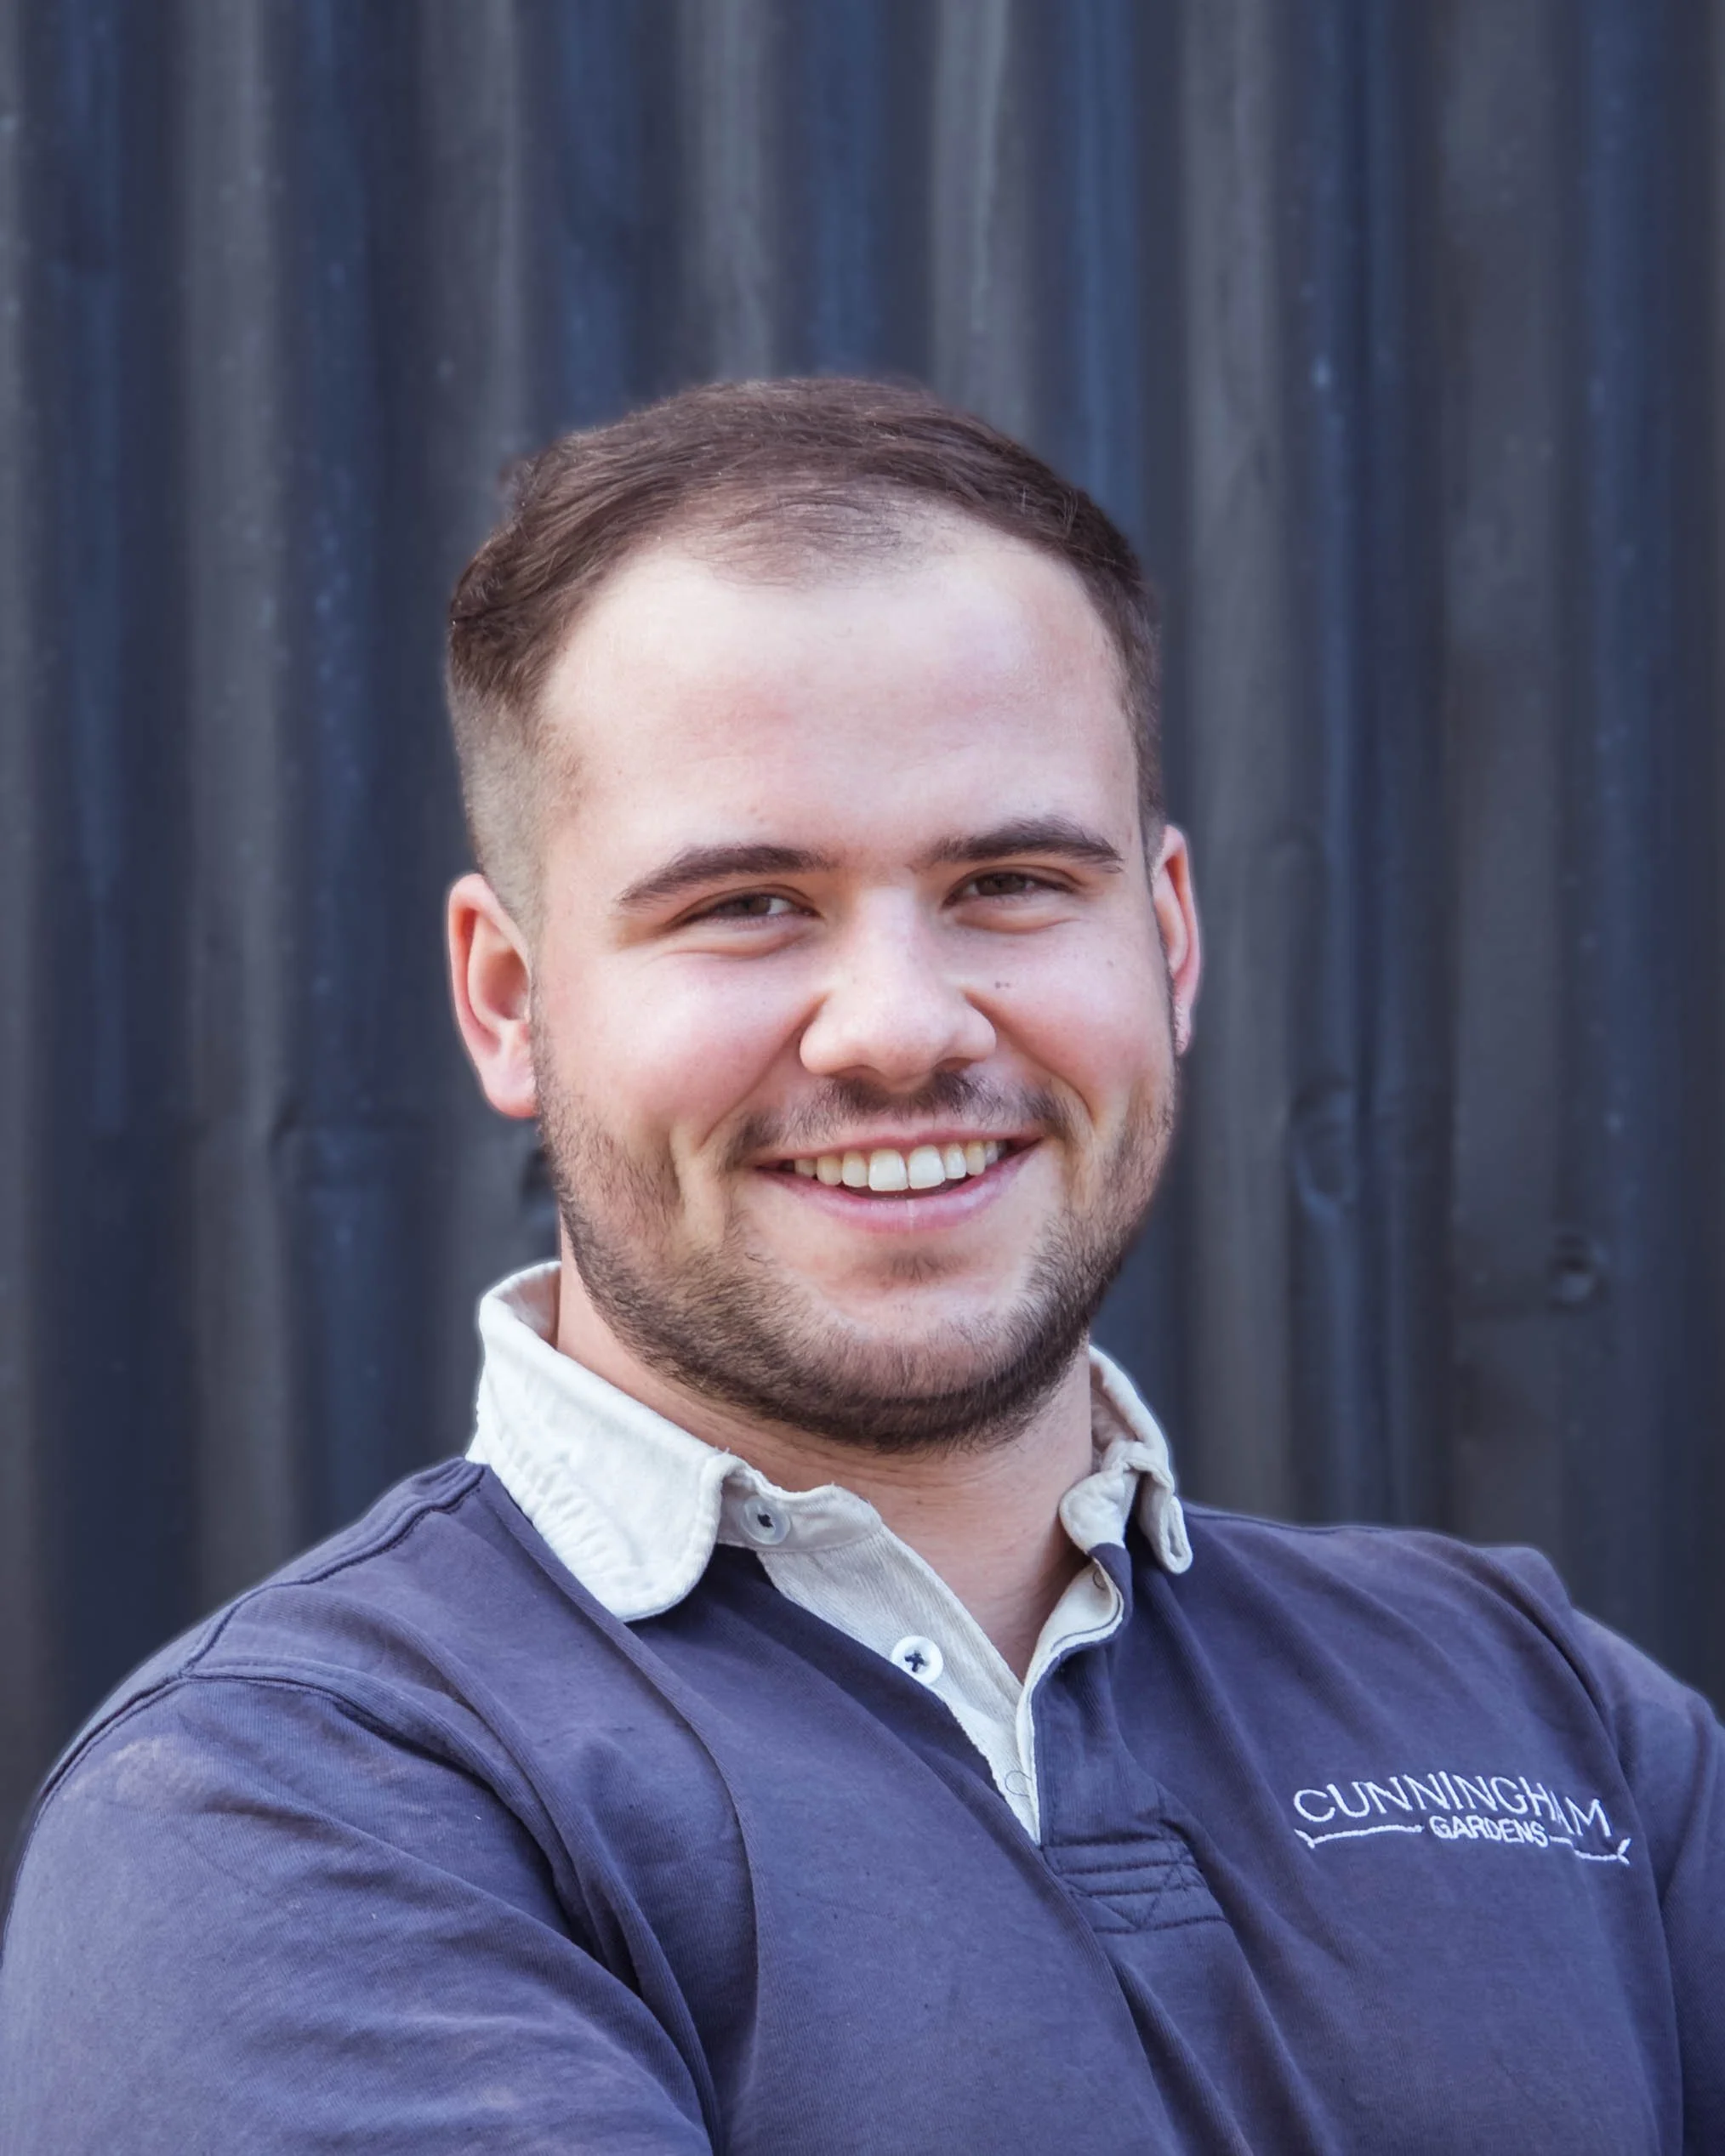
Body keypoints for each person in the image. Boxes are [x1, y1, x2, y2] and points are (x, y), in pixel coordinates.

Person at [2, 379, 1719, 2154]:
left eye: (1010, 882)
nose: (899, 1028)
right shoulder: (288, 1808)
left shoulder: (1549, 1708)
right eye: (746, 903)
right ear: (508, 999)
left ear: (1171, 936)